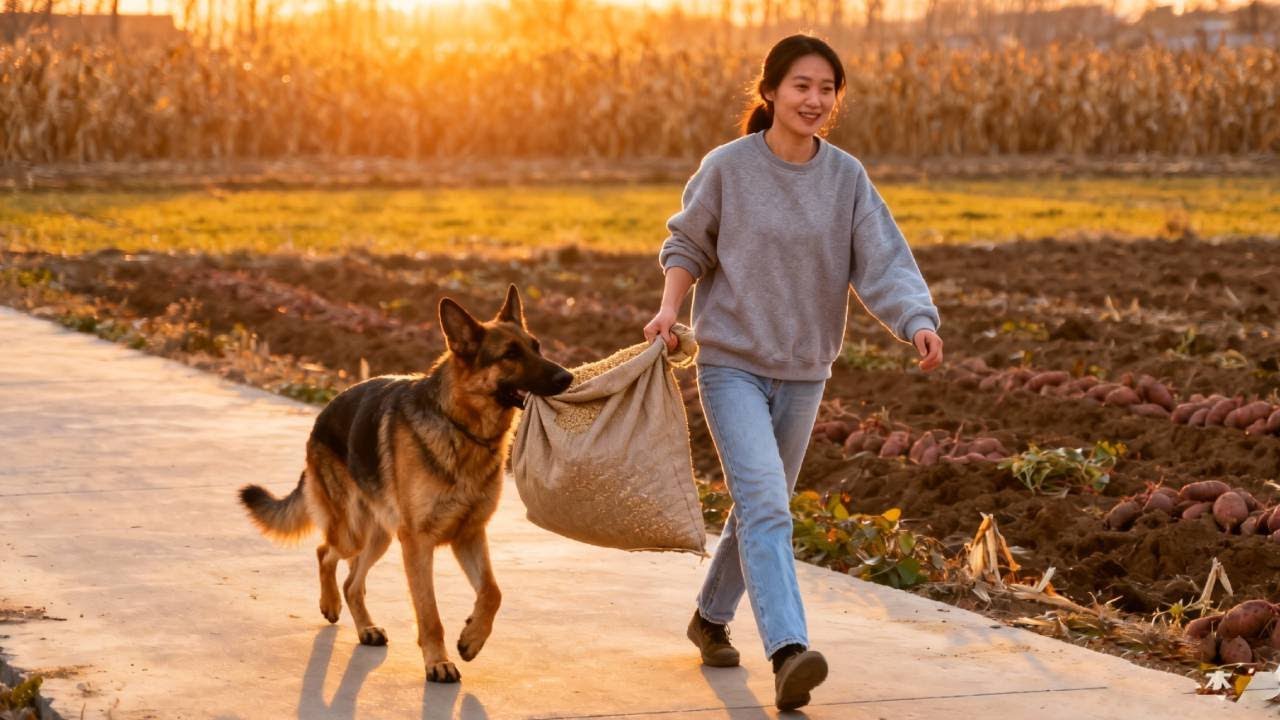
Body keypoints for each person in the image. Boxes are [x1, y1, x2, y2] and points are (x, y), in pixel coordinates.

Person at [642, 34, 944, 711]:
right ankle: (788, 650)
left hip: (806, 372)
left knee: (755, 507)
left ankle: (709, 619)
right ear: (771, 91)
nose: (815, 99)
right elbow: (687, 242)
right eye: (802, 85)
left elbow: (883, 259)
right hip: (731, 367)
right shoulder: (728, 167)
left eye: (827, 88)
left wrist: (916, 319)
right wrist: (668, 309)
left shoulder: (846, 178)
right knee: (767, 505)